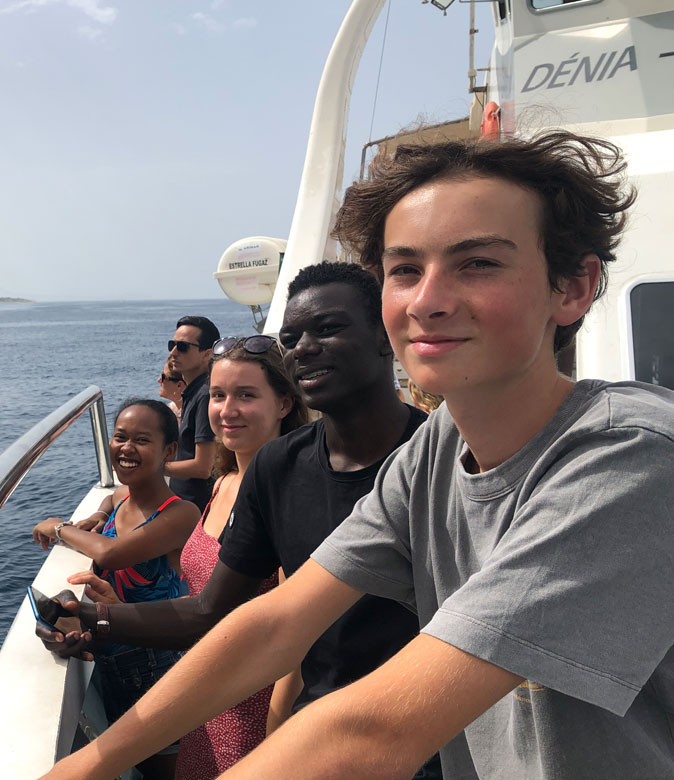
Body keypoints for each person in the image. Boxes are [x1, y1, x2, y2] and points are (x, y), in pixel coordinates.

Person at [40, 130, 674, 780]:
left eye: (477, 263)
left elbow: (378, 730)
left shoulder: (631, 457)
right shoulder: (437, 448)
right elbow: (274, 623)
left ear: (572, 287)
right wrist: (88, 763)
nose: (427, 299)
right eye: (405, 270)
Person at [38, 262, 435, 776]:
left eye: (329, 328)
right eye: (291, 337)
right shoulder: (280, 467)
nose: (304, 347)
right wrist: (94, 618)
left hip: (420, 745)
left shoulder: (436, 463)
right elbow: (211, 611)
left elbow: (279, 630)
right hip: (314, 738)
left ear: (387, 336)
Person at [71, 334, 309, 779]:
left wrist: (277, 746)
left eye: (246, 395)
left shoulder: (290, 498)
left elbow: (297, 642)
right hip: (204, 696)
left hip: (252, 714)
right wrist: (117, 612)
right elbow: (199, 593)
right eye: (218, 395)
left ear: (283, 404)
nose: (227, 409)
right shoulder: (225, 483)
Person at [32, 398, 200, 780]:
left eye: (142, 440)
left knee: (165, 770)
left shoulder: (180, 513)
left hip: (157, 666)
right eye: (119, 437)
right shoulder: (124, 496)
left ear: (169, 451)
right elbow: (111, 498)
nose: (125, 448)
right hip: (114, 653)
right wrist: (98, 515)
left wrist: (60, 528)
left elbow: (112, 552)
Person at [164, 315, 220, 511]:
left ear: (207, 354)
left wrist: (151, 468)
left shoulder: (205, 395)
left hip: (195, 512)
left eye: (183, 347)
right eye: (172, 344)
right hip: (183, 504)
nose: (173, 352)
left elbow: (203, 467)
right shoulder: (192, 391)